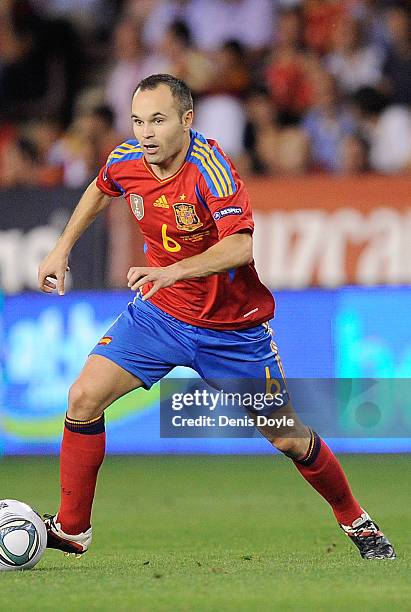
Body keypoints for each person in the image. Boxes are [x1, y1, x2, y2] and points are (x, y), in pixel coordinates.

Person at [38, 74, 396, 560]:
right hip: (159, 317)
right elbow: (101, 188)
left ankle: (356, 520)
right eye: (139, 121)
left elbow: (240, 246)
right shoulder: (127, 159)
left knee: (288, 437)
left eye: (158, 121)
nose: (146, 132)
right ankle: (73, 529)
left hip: (233, 331)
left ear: (187, 120)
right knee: (83, 397)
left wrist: (175, 271)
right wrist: (62, 248)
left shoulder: (211, 169)